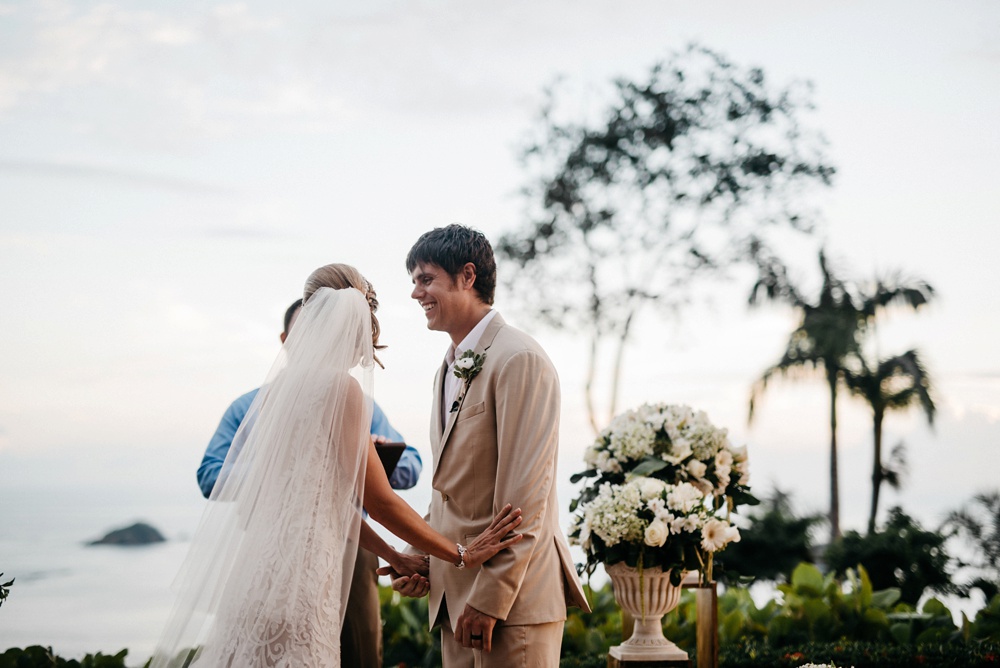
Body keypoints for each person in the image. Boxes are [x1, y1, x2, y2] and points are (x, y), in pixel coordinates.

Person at [150, 263, 523, 668]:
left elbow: (329, 502)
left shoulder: (276, 398)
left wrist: (395, 556)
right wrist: (461, 553)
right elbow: (380, 502)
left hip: (257, 581)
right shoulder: (341, 391)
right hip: (304, 587)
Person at [395, 225, 589, 667]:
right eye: (414, 281)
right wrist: (420, 553)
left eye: (426, 279)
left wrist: (492, 597)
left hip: (509, 603)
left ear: (467, 276)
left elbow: (527, 494)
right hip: (455, 597)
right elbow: (454, 488)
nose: (415, 294)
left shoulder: (519, 358)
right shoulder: (446, 369)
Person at [195, 297, 424, 668]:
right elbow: (210, 475)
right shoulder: (248, 407)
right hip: (271, 541)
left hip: (355, 543)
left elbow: (411, 466)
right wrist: (287, 470)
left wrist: (368, 457)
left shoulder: (358, 402)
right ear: (286, 339)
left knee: (358, 650)